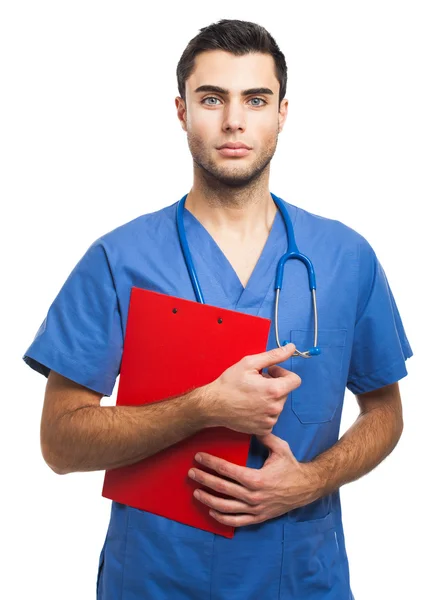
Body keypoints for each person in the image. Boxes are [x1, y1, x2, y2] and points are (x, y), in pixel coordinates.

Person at [22, 18, 413, 600]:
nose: (234, 120)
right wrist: (202, 407)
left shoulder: (345, 257)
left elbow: (385, 412)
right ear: (181, 111)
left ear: (282, 112)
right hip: (154, 580)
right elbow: (59, 442)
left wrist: (307, 482)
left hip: (300, 578)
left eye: (255, 99)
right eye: (212, 99)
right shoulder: (118, 258)